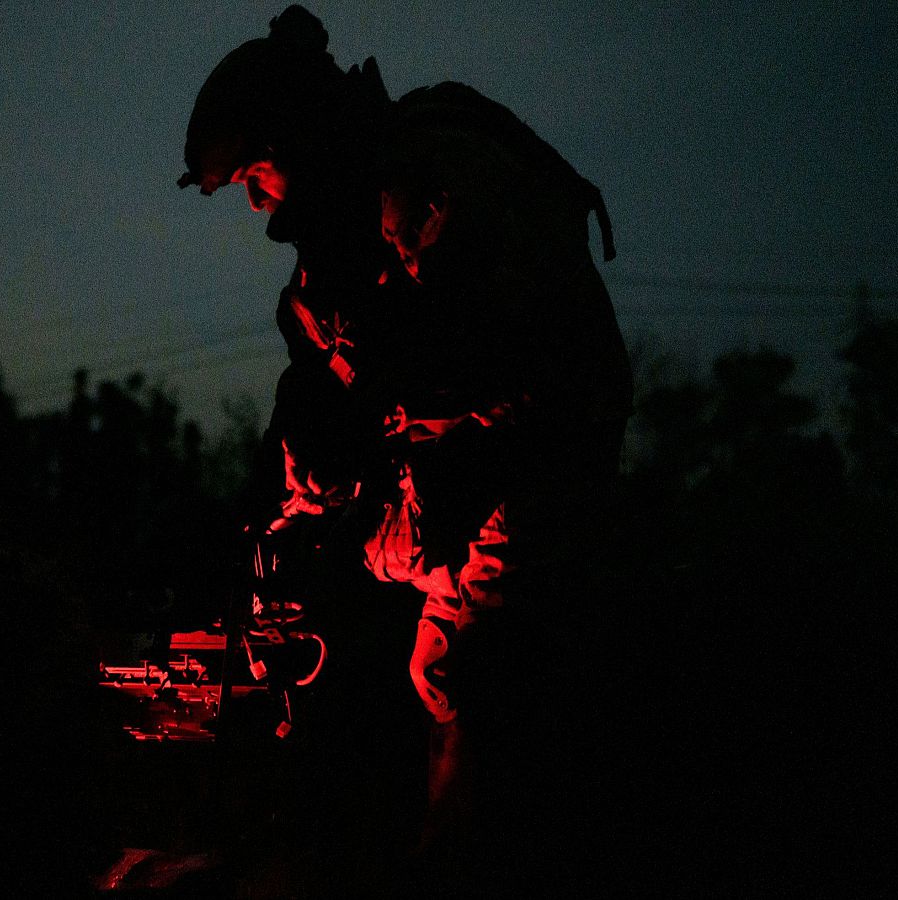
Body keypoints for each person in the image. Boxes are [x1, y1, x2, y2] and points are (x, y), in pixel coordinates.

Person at [178, 6, 633, 890]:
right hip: (465, 530)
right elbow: (320, 395)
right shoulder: (341, 255)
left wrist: (349, 428)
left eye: (255, 175)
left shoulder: (426, 181)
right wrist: (278, 488)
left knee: (480, 713)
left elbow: (496, 358)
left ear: (297, 136)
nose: (256, 200)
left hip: (529, 509)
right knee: (429, 693)